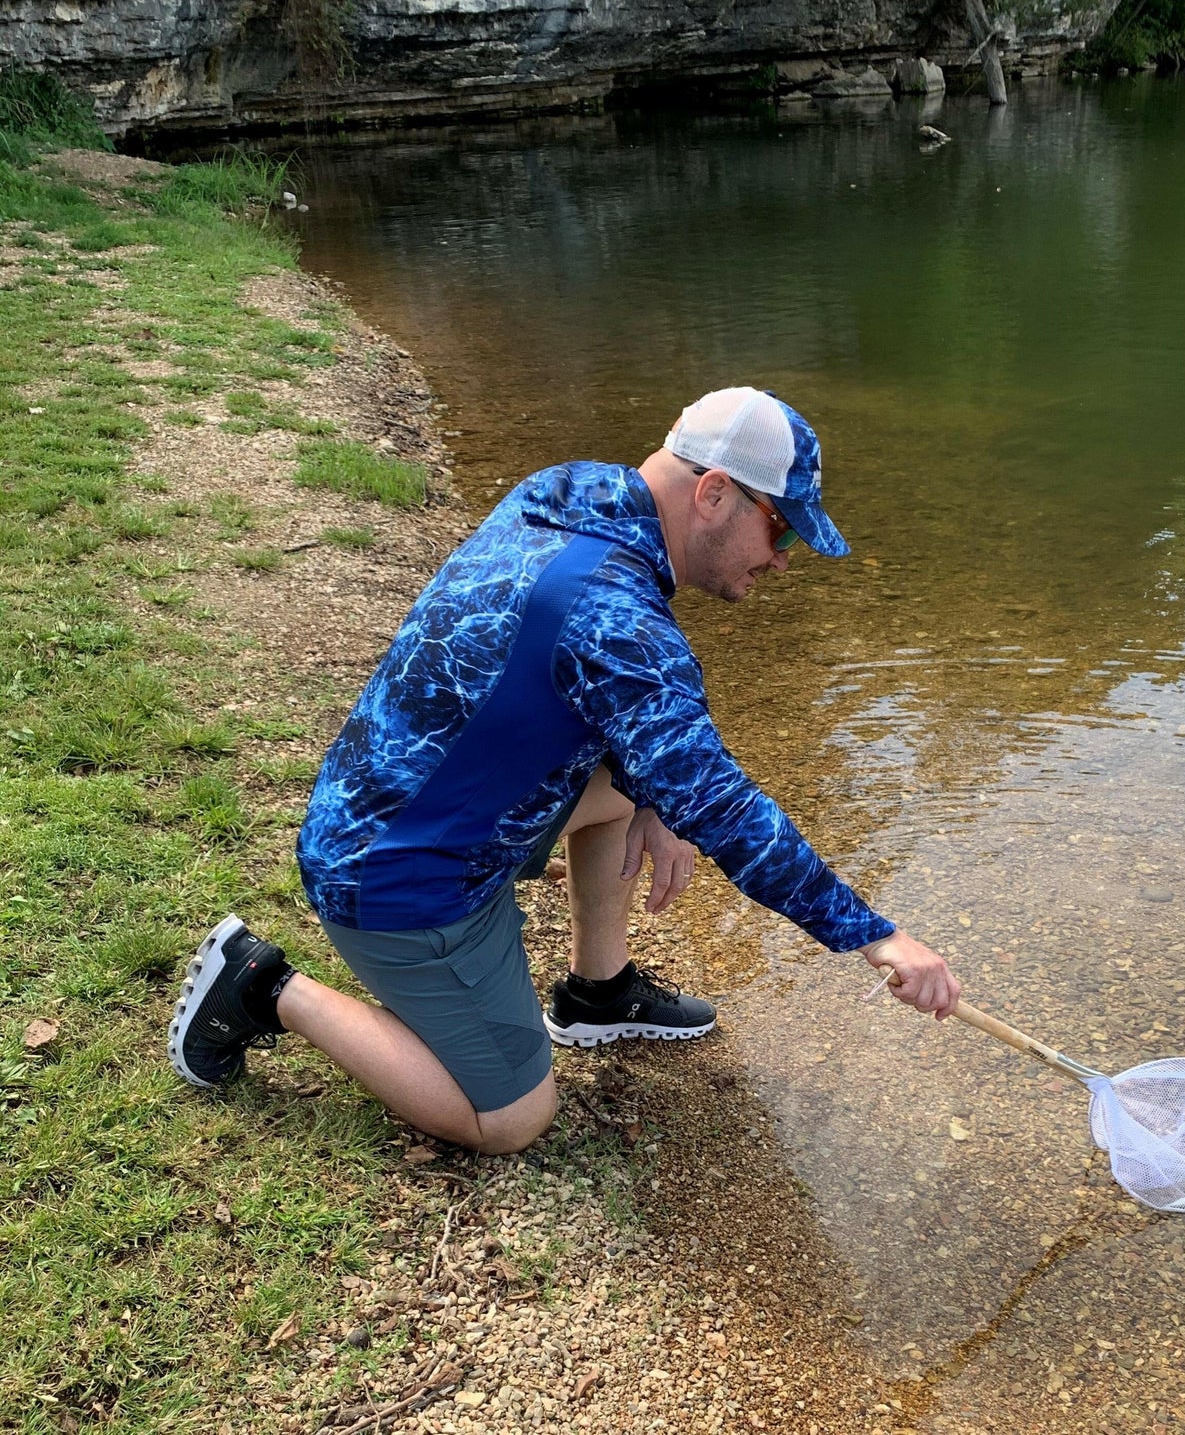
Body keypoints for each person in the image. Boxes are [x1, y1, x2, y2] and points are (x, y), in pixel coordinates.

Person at [168, 387, 962, 1153]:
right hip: (400, 877)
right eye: (781, 533)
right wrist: (878, 939)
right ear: (714, 494)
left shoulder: (569, 494)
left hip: (395, 800)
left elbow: (594, 690)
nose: (782, 561)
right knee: (511, 1120)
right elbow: (723, 808)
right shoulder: (613, 614)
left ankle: (598, 994)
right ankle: (264, 987)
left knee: (644, 785)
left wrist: (654, 792)